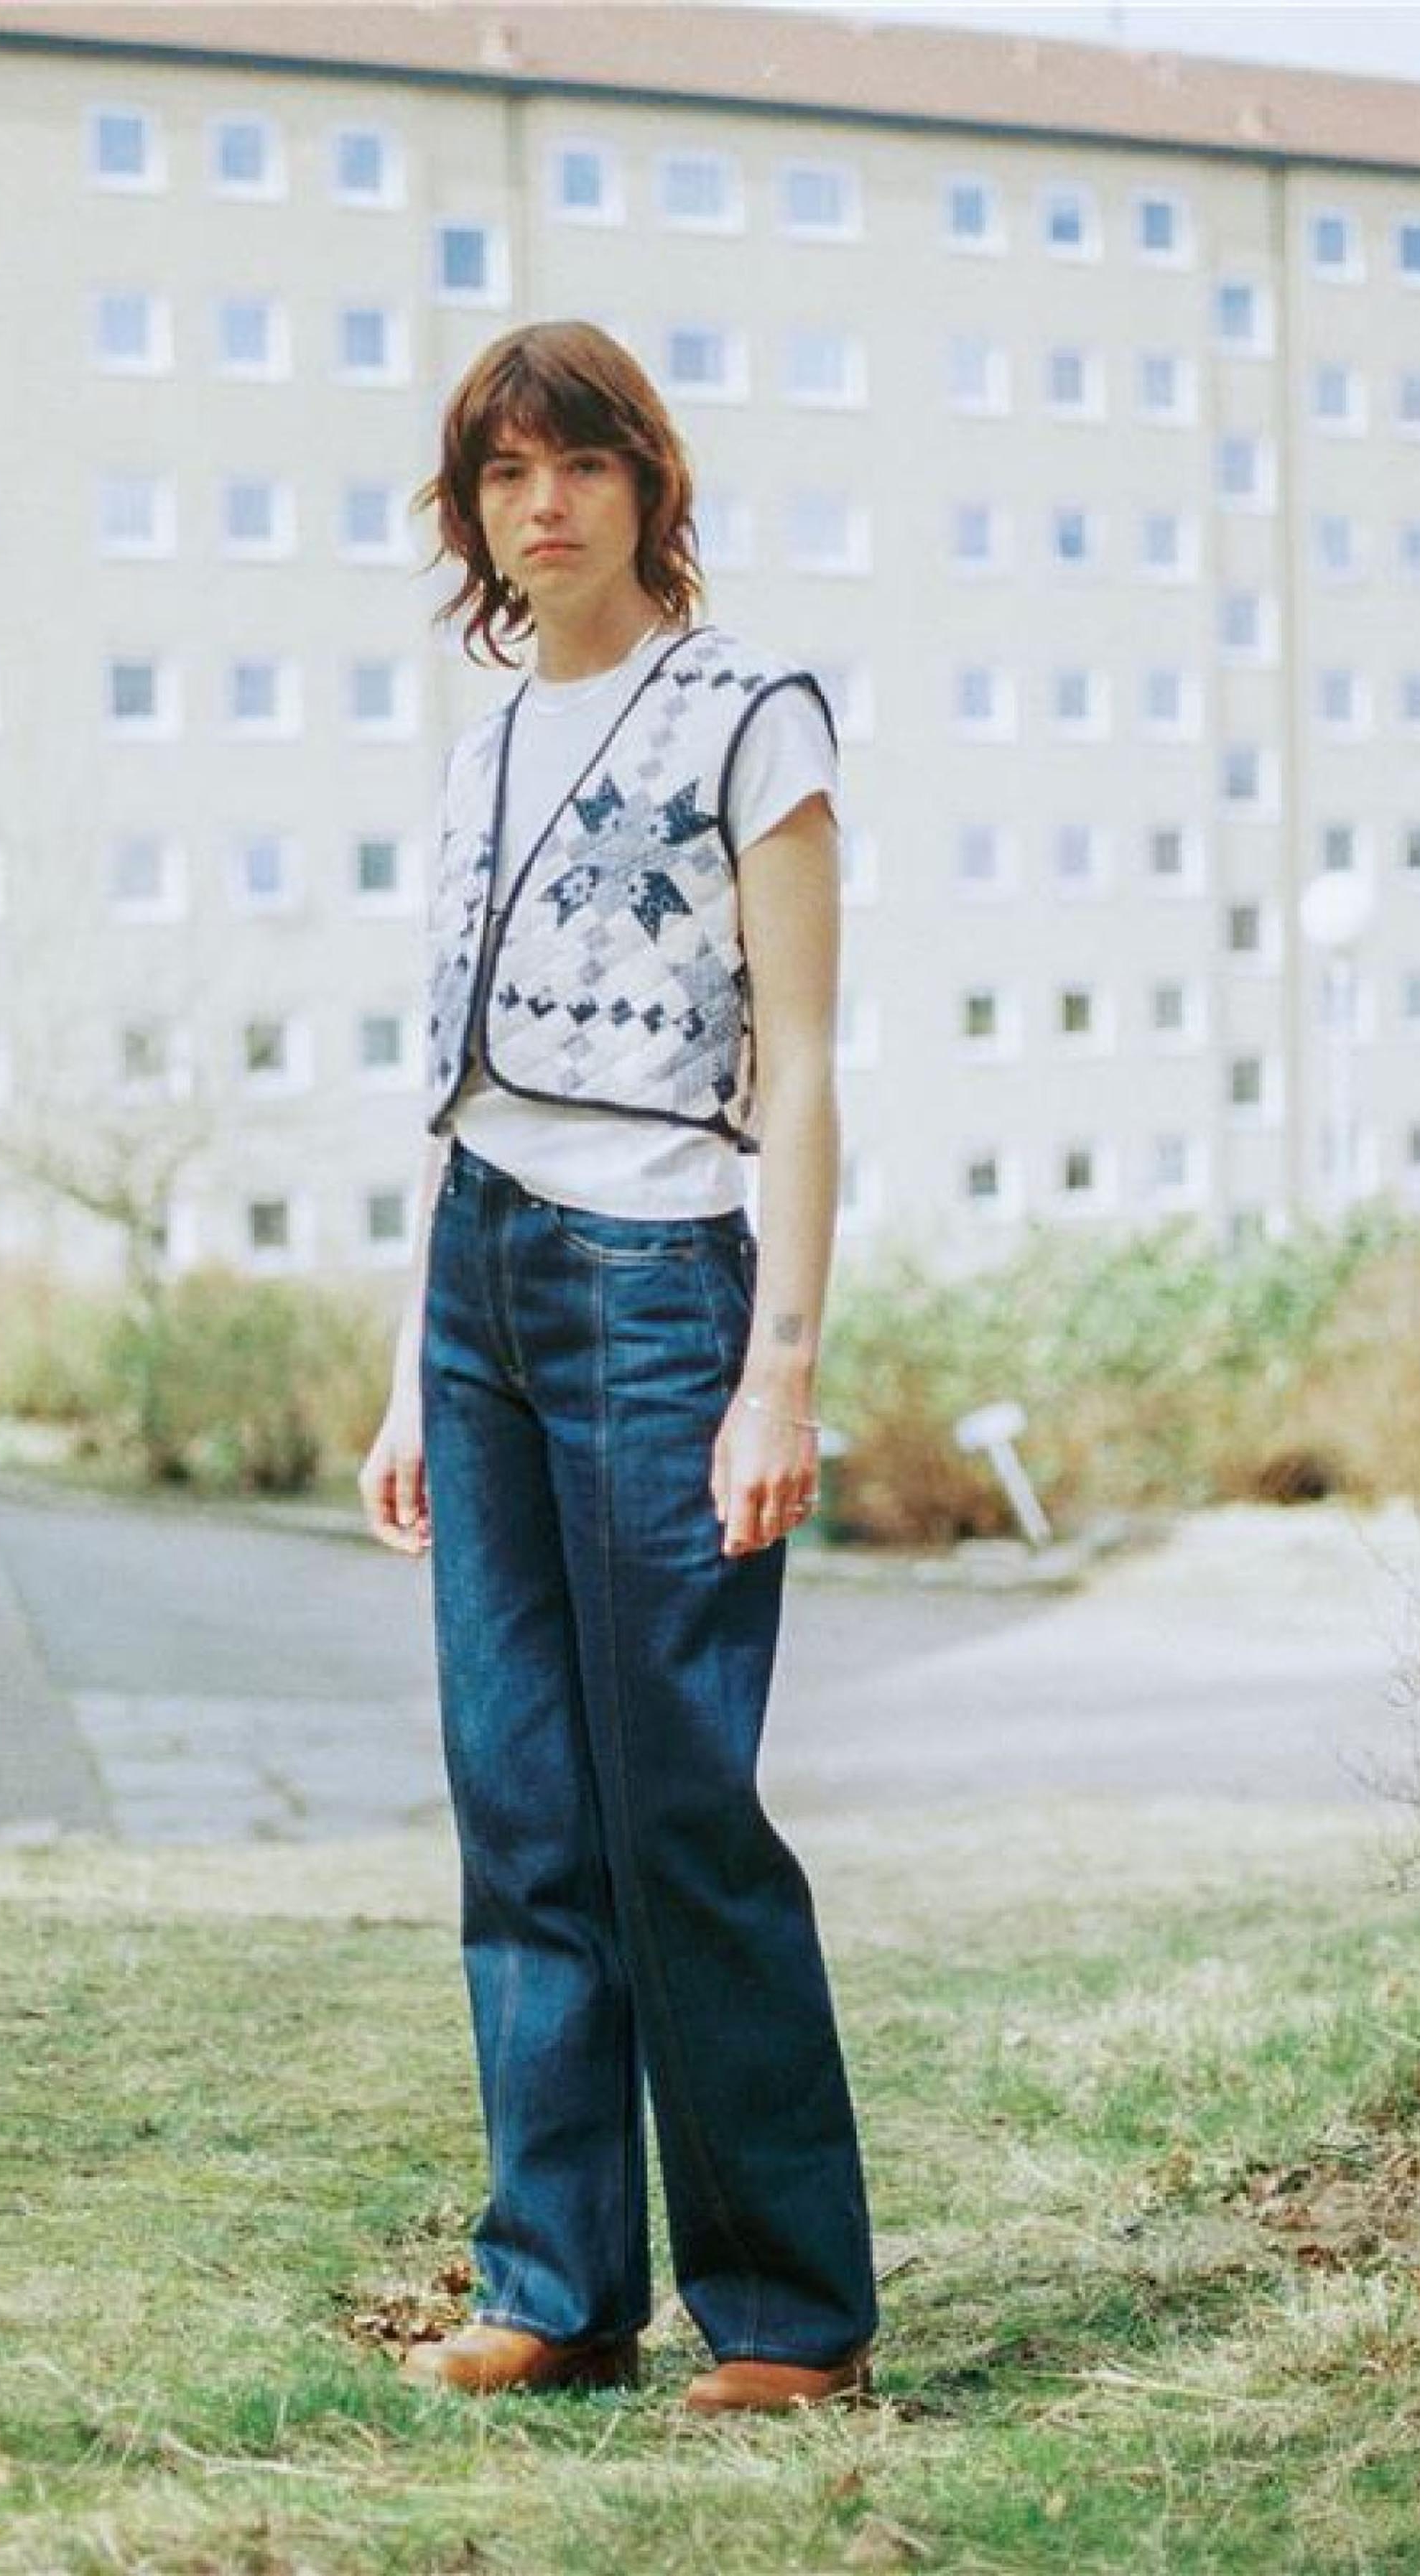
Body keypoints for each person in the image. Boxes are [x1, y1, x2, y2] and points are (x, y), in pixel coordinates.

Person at [358, 319, 878, 2415]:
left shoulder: (754, 711)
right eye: (502, 475)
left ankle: (782, 2312)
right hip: (481, 1282)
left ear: (648, 482)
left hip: (668, 1281)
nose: (541, 504)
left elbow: (817, 1064)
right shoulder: (481, 740)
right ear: (473, 513)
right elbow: (450, 1095)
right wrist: (412, 1371)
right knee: (521, 1806)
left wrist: (786, 1370)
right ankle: (559, 2282)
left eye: (577, 463)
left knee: (681, 1808)